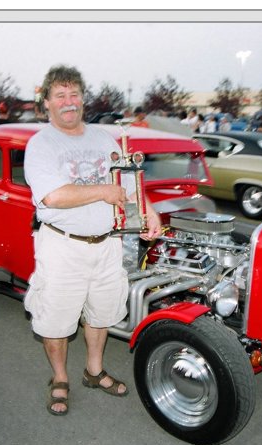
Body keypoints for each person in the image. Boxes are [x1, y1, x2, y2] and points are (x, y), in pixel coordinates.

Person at [23, 65, 162, 416]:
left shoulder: (103, 138)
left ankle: (94, 370)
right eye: (60, 96)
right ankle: (59, 378)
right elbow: (52, 197)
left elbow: (126, 183)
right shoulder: (41, 145)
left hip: (107, 243)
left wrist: (148, 213)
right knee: (56, 320)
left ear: (82, 99)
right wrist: (104, 191)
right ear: (47, 104)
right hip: (62, 245)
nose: (68, 102)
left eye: (74, 95)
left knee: (101, 314)